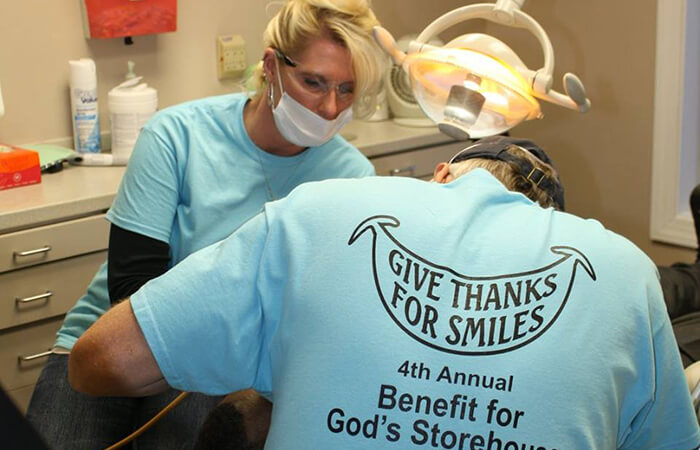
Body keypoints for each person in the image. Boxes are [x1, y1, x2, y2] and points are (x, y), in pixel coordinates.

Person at [69, 136, 700, 449]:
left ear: (442, 174)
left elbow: (99, 361)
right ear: (552, 218)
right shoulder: (620, 267)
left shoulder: (321, 211)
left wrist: (286, 371)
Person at [25, 1, 386, 448]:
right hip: (114, 333)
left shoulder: (351, 178)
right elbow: (132, 282)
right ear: (271, 66)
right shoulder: (177, 135)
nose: (330, 108)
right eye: (313, 82)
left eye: (347, 89)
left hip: (233, 360)